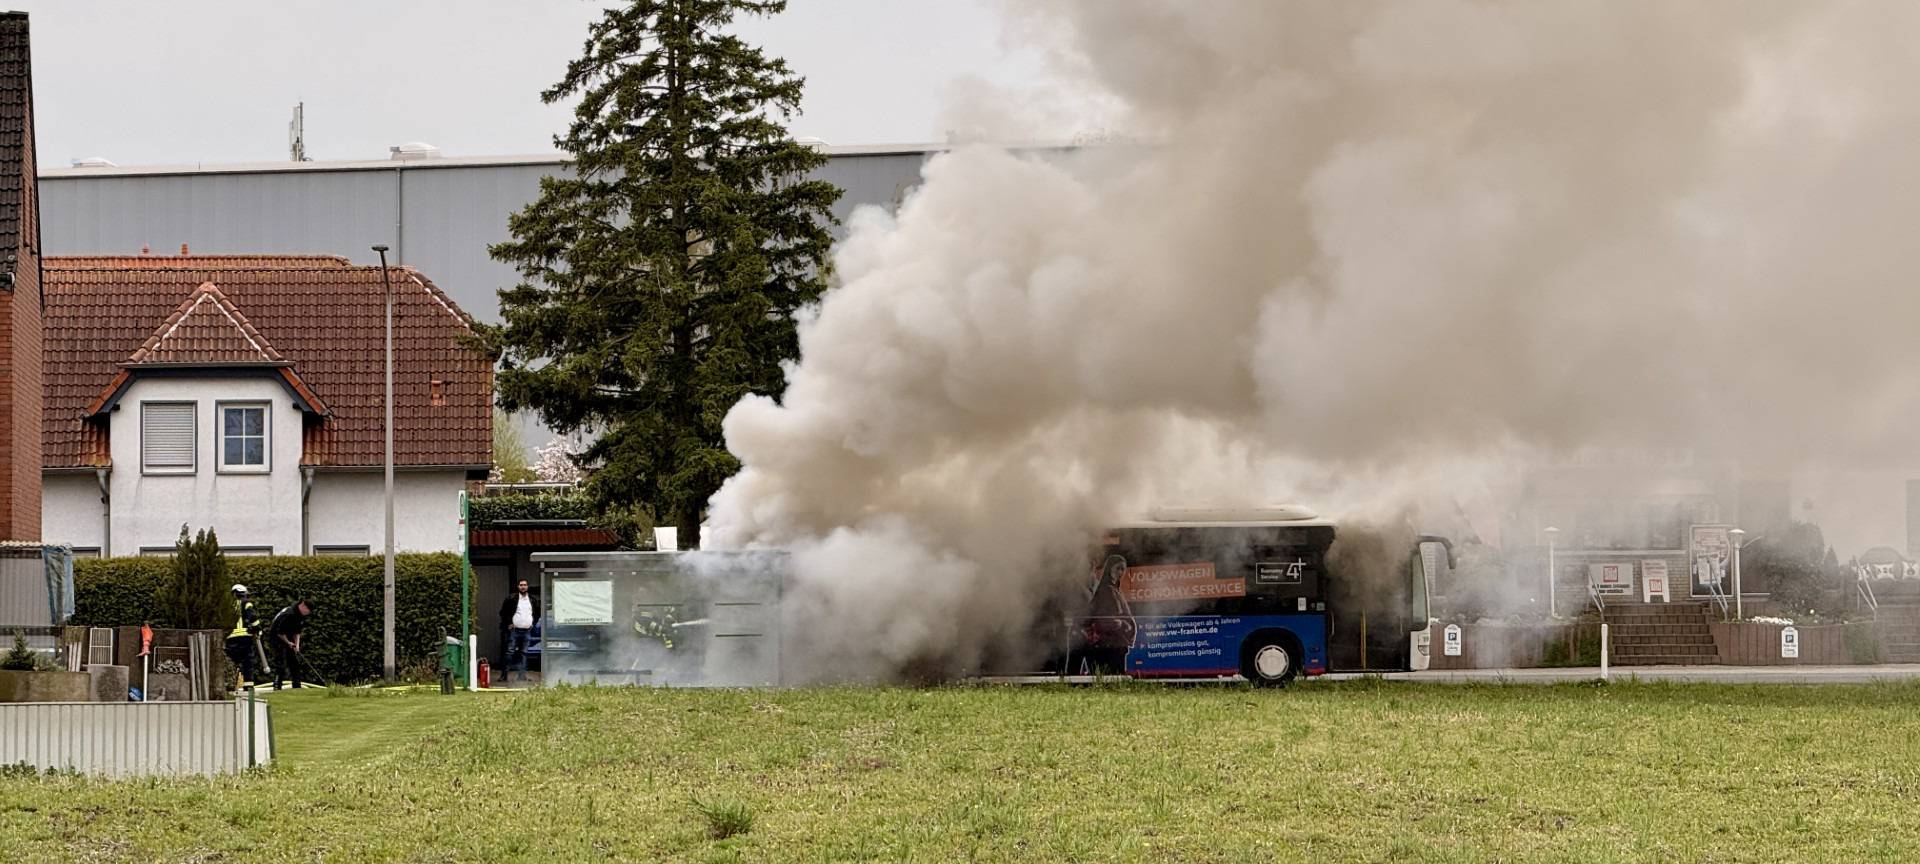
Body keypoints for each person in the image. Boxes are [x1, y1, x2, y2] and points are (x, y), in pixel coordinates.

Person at [1081, 555, 1137, 675]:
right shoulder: (1106, 590)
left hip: (1117, 644)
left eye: (1123, 569)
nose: (1121, 572)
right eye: (1118, 568)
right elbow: (1104, 619)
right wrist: (1122, 624)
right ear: (1109, 569)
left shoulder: (1115, 590)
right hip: (1108, 645)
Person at [498, 579, 538, 683]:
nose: (523, 587)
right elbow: (503, 612)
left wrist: (532, 623)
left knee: (524, 653)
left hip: (526, 631)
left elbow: (537, 613)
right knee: (509, 652)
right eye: (521, 585)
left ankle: (522, 675)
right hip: (514, 631)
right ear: (518, 586)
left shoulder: (533, 600)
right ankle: (504, 675)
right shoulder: (511, 598)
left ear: (527, 586)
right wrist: (508, 623)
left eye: (525, 585)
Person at [269, 599, 314, 690]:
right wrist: (288, 643)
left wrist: (296, 645)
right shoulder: (289, 614)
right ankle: (277, 686)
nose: (308, 613)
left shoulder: (301, 616)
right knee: (281, 664)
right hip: (277, 637)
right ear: (303, 606)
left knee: (295, 663)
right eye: (308, 610)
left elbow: (297, 632)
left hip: (287, 637)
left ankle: (297, 686)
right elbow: (280, 633)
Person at [223, 584, 262, 689]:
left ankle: (230, 684)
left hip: (230, 637)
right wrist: (258, 629)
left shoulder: (227, 605)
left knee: (232, 661)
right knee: (247, 662)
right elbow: (252, 617)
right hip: (245, 637)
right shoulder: (246, 603)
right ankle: (248, 686)